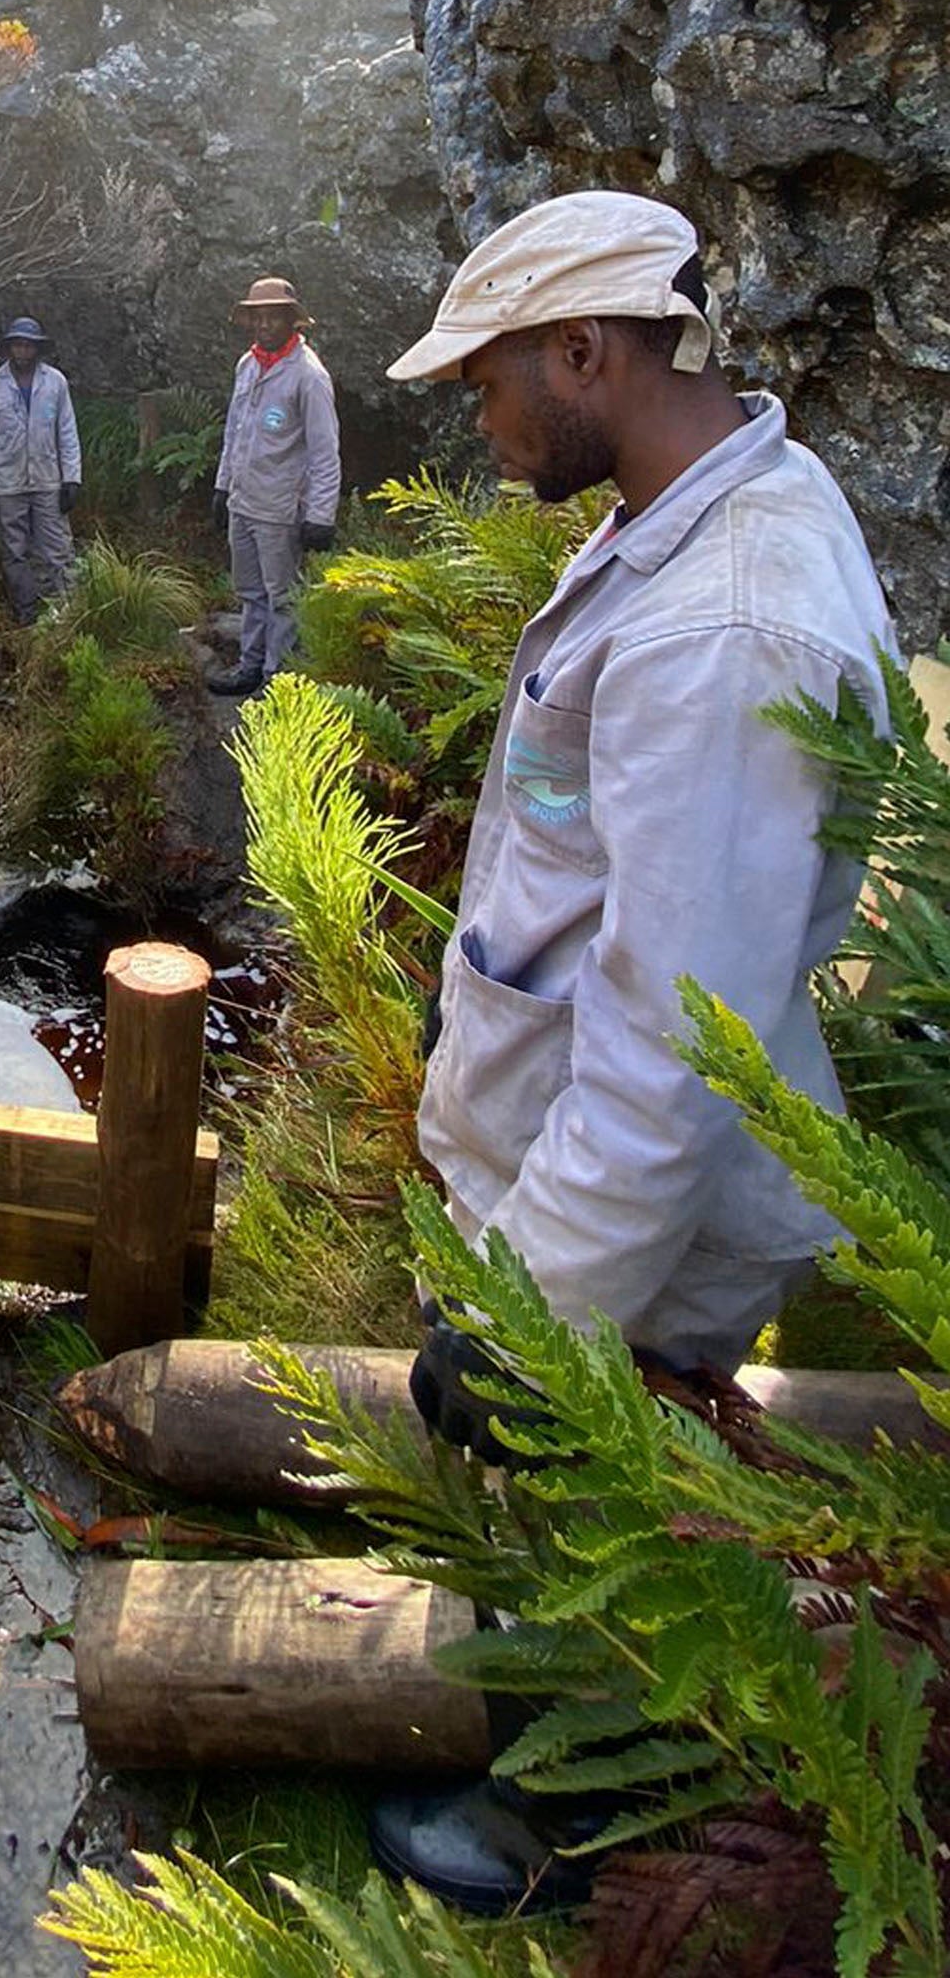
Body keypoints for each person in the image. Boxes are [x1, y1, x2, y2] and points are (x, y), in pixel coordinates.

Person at [362, 190, 900, 1916]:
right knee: (584, 1511)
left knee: (609, 1511)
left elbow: (678, 1048)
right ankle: (577, 1775)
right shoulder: (698, 508)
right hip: (563, 1160)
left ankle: (568, 1837)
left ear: (585, 351)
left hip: (627, 1220)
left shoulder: (721, 630)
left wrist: (536, 1315)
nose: (485, 419)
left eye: (493, 382)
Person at [214, 273, 341, 694]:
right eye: (258, 318)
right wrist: (222, 486)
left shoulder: (308, 376)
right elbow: (234, 432)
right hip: (243, 502)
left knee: (282, 598)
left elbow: (325, 452)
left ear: (292, 321)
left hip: (280, 508)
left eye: (273, 318)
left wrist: (321, 516)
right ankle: (250, 667)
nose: (264, 325)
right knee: (249, 592)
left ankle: (277, 680)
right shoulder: (247, 366)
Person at [0, 316, 82, 623]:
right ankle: (27, 615)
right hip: (7, 484)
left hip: (48, 480)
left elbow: (67, 433)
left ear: (37, 348)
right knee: (15, 553)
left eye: (28, 345)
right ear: (8, 348)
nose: (22, 351)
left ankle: (66, 615)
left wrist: (72, 479)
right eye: (17, 345)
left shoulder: (55, 382)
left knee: (58, 550)